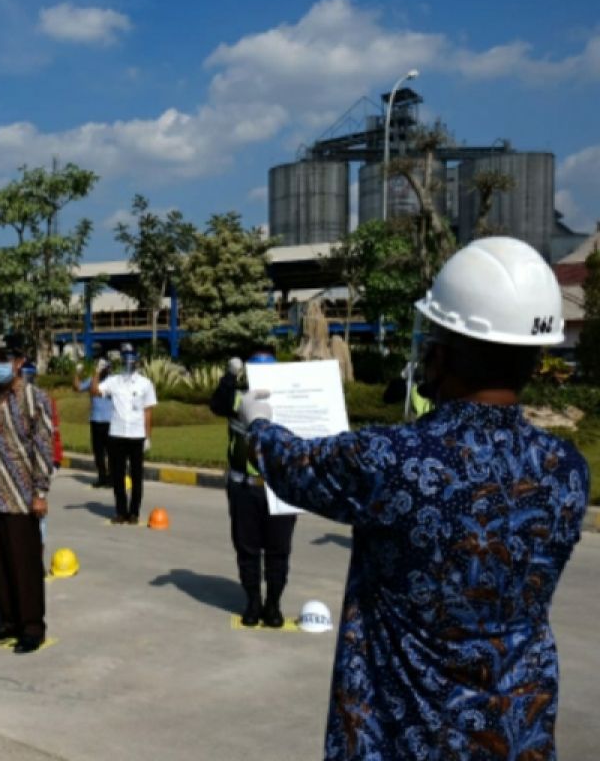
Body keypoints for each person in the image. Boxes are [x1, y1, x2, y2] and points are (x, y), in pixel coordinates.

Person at [240, 237, 588, 759]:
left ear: (442, 351)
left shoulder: (393, 460)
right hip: (517, 732)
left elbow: (294, 467)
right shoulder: (567, 471)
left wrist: (257, 425)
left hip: (404, 736)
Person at [0, 336, 55, 654]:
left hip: (21, 495)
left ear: (20, 361)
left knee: (24, 563)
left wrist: (41, 492)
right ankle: (7, 620)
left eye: (5, 357)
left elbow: (43, 447)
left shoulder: (36, 399)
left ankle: (32, 626)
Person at [210, 350, 296, 628]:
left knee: (278, 550)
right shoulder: (239, 399)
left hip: (279, 486)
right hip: (244, 487)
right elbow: (218, 404)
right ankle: (252, 601)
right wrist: (228, 377)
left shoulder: (289, 402)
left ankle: (273, 604)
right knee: (247, 549)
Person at [90, 343, 156, 525]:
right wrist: (97, 372)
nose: (128, 364)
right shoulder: (114, 381)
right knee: (118, 476)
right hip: (117, 434)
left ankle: (134, 512)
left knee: (136, 476)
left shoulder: (145, 384)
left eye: (131, 360)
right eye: (125, 360)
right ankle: (120, 511)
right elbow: (95, 391)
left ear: (136, 362)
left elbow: (148, 412)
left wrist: (148, 437)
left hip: (136, 435)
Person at [74, 358, 113, 488]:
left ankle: (112, 478)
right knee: (98, 452)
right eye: (99, 367)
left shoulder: (112, 381)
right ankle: (102, 477)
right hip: (95, 420)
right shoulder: (93, 379)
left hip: (110, 421)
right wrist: (77, 373)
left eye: (103, 367)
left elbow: (95, 391)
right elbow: (78, 388)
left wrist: (97, 373)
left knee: (111, 452)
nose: (101, 370)